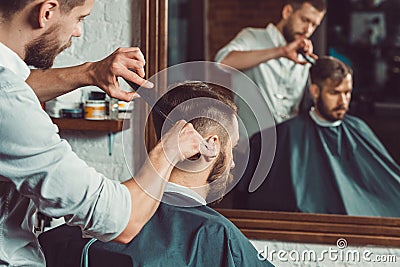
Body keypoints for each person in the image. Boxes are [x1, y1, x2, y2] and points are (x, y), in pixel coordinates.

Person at [0, 1, 207, 266]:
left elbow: (16, 86)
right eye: (80, 19)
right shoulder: (10, 103)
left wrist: (90, 72)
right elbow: (121, 222)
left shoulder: (8, 86)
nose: (78, 32)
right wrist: (167, 152)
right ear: (47, 12)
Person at [38, 81, 275, 267]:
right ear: (210, 145)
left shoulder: (70, 233)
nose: (233, 163)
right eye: (231, 148)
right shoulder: (217, 237)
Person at [238, 56, 400, 216]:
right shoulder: (286, 135)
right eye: (334, 93)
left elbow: (387, 182)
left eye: (347, 93)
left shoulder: (359, 129)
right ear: (315, 91)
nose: (343, 101)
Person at [215, 0, 326, 136]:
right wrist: (281, 51)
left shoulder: (304, 56)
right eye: (304, 20)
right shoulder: (252, 37)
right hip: (250, 147)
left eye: (314, 25)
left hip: (286, 145)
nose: (307, 30)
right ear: (287, 12)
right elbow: (222, 62)